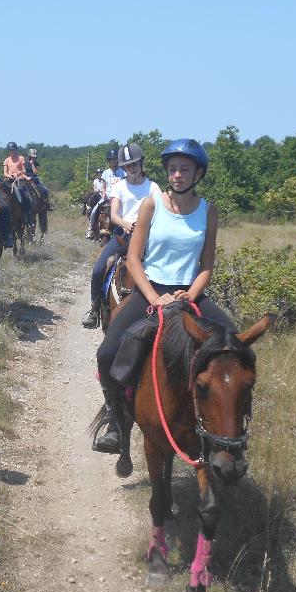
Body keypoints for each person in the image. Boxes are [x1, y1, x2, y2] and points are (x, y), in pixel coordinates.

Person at [92, 138, 236, 453]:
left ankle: (228, 426)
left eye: (184, 169)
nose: (177, 175)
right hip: (150, 290)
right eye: (172, 169)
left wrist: (190, 295)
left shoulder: (209, 212)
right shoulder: (152, 204)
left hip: (190, 293)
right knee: (106, 355)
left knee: (234, 344)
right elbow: (133, 259)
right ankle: (117, 423)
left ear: (199, 173)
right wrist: (155, 298)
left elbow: (207, 265)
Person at [81, 143, 160, 328]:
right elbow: (115, 215)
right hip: (123, 235)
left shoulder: (153, 188)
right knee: (99, 269)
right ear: (124, 167)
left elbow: (160, 213)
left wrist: (142, 225)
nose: (132, 168)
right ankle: (94, 308)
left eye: (135, 164)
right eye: (128, 165)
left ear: (142, 163)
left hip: (148, 236)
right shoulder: (119, 187)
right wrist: (127, 224)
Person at [3, 141, 33, 218]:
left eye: (12, 150)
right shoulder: (7, 160)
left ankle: (28, 213)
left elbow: (24, 171)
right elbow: (5, 172)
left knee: (24, 194)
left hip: (19, 180)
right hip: (9, 180)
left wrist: (18, 173)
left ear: (16, 150)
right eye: (10, 150)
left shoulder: (21, 158)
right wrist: (9, 176)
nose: (11, 151)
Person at [85, 167, 107, 239]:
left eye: (100, 173)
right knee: (91, 209)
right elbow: (94, 189)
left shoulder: (104, 181)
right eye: (98, 173)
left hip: (103, 196)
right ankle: (90, 230)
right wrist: (97, 192)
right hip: (97, 196)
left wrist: (102, 192)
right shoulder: (95, 181)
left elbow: (105, 189)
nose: (99, 174)